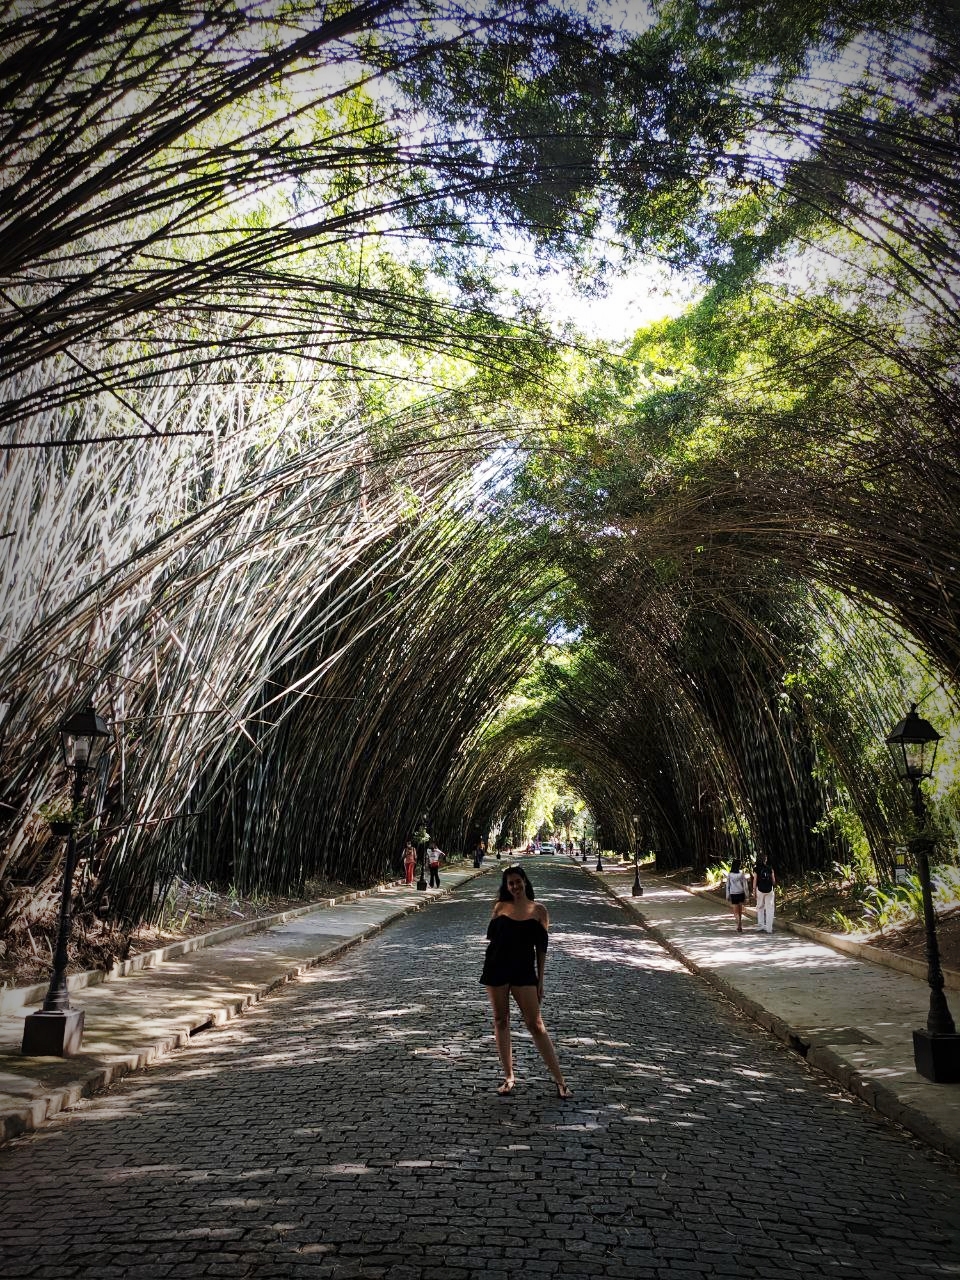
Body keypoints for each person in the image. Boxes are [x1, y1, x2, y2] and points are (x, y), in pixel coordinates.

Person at [479, 865, 572, 1098]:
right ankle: (509, 1077)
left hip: (524, 970)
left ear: (525, 882)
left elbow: (542, 948)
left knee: (536, 1024)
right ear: (506, 886)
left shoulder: (539, 911)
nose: (515, 886)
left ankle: (560, 1080)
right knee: (501, 1020)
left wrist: (540, 979)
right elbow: (492, 940)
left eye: (518, 881)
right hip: (497, 967)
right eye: (510, 883)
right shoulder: (500, 907)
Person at [752, 853, 776, 933]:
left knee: (760, 907)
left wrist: (754, 890)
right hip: (769, 890)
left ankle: (761, 926)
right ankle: (769, 928)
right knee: (770, 909)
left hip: (760, 890)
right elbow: (773, 880)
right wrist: (771, 885)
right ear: (765, 860)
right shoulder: (770, 868)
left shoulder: (756, 869)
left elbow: (755, 880)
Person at [725, 859, 750, 932]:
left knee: (735, 911)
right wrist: (747, 895)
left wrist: (727, 895)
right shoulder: (741, 873)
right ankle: (740, 923)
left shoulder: (730, 874)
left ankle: (738, 923)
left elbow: (728, 886)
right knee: (740, 910)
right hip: (741, 893)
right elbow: (745, 885)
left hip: (733, 893)